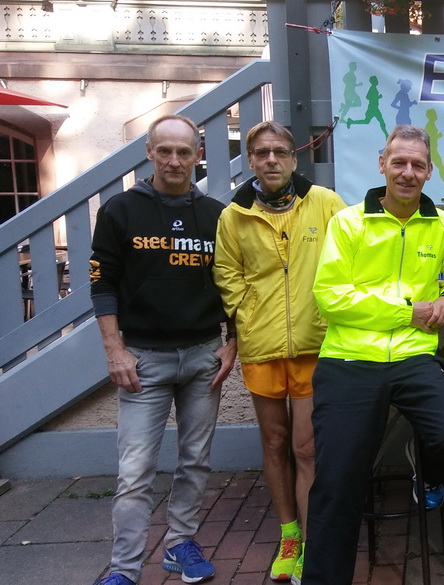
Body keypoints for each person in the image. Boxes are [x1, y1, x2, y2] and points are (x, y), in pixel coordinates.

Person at [303, 124, 444, 584]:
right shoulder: (349, 222)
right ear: (382, 164)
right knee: (338, 482)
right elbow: (330, 297)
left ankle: (428, 473)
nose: (407, 172)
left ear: (429, 172)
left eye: (417, 165)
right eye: (398, 162)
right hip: (349, 359)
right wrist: (408, 312)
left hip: (414, 358)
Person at [88, 114, 237, 585]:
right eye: (165, 151)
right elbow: (102, 284)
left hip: (202, 356)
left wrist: (232, 342)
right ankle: (124, 570)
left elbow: (233, 283)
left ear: (198, 156)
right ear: (150, 152)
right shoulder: (119, 211)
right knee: (135, 471)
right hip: (142, 360)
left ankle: (180, 543)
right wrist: (114, 349)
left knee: (195, 460)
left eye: (184, 152)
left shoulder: (216, 215)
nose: (175, 160)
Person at [213, 121, 344, 584]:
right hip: (262, 346)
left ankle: (311, 541)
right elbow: (227, 273)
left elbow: (350, 258)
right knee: (273, 442)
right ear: (250, 160)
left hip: (315, 342)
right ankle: (289, 534)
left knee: (305, 447)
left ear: (294, 158)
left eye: (280, 152)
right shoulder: (234, 215)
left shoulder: (325, 203)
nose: (271, 160)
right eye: (262, 152)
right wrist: (247, 316)